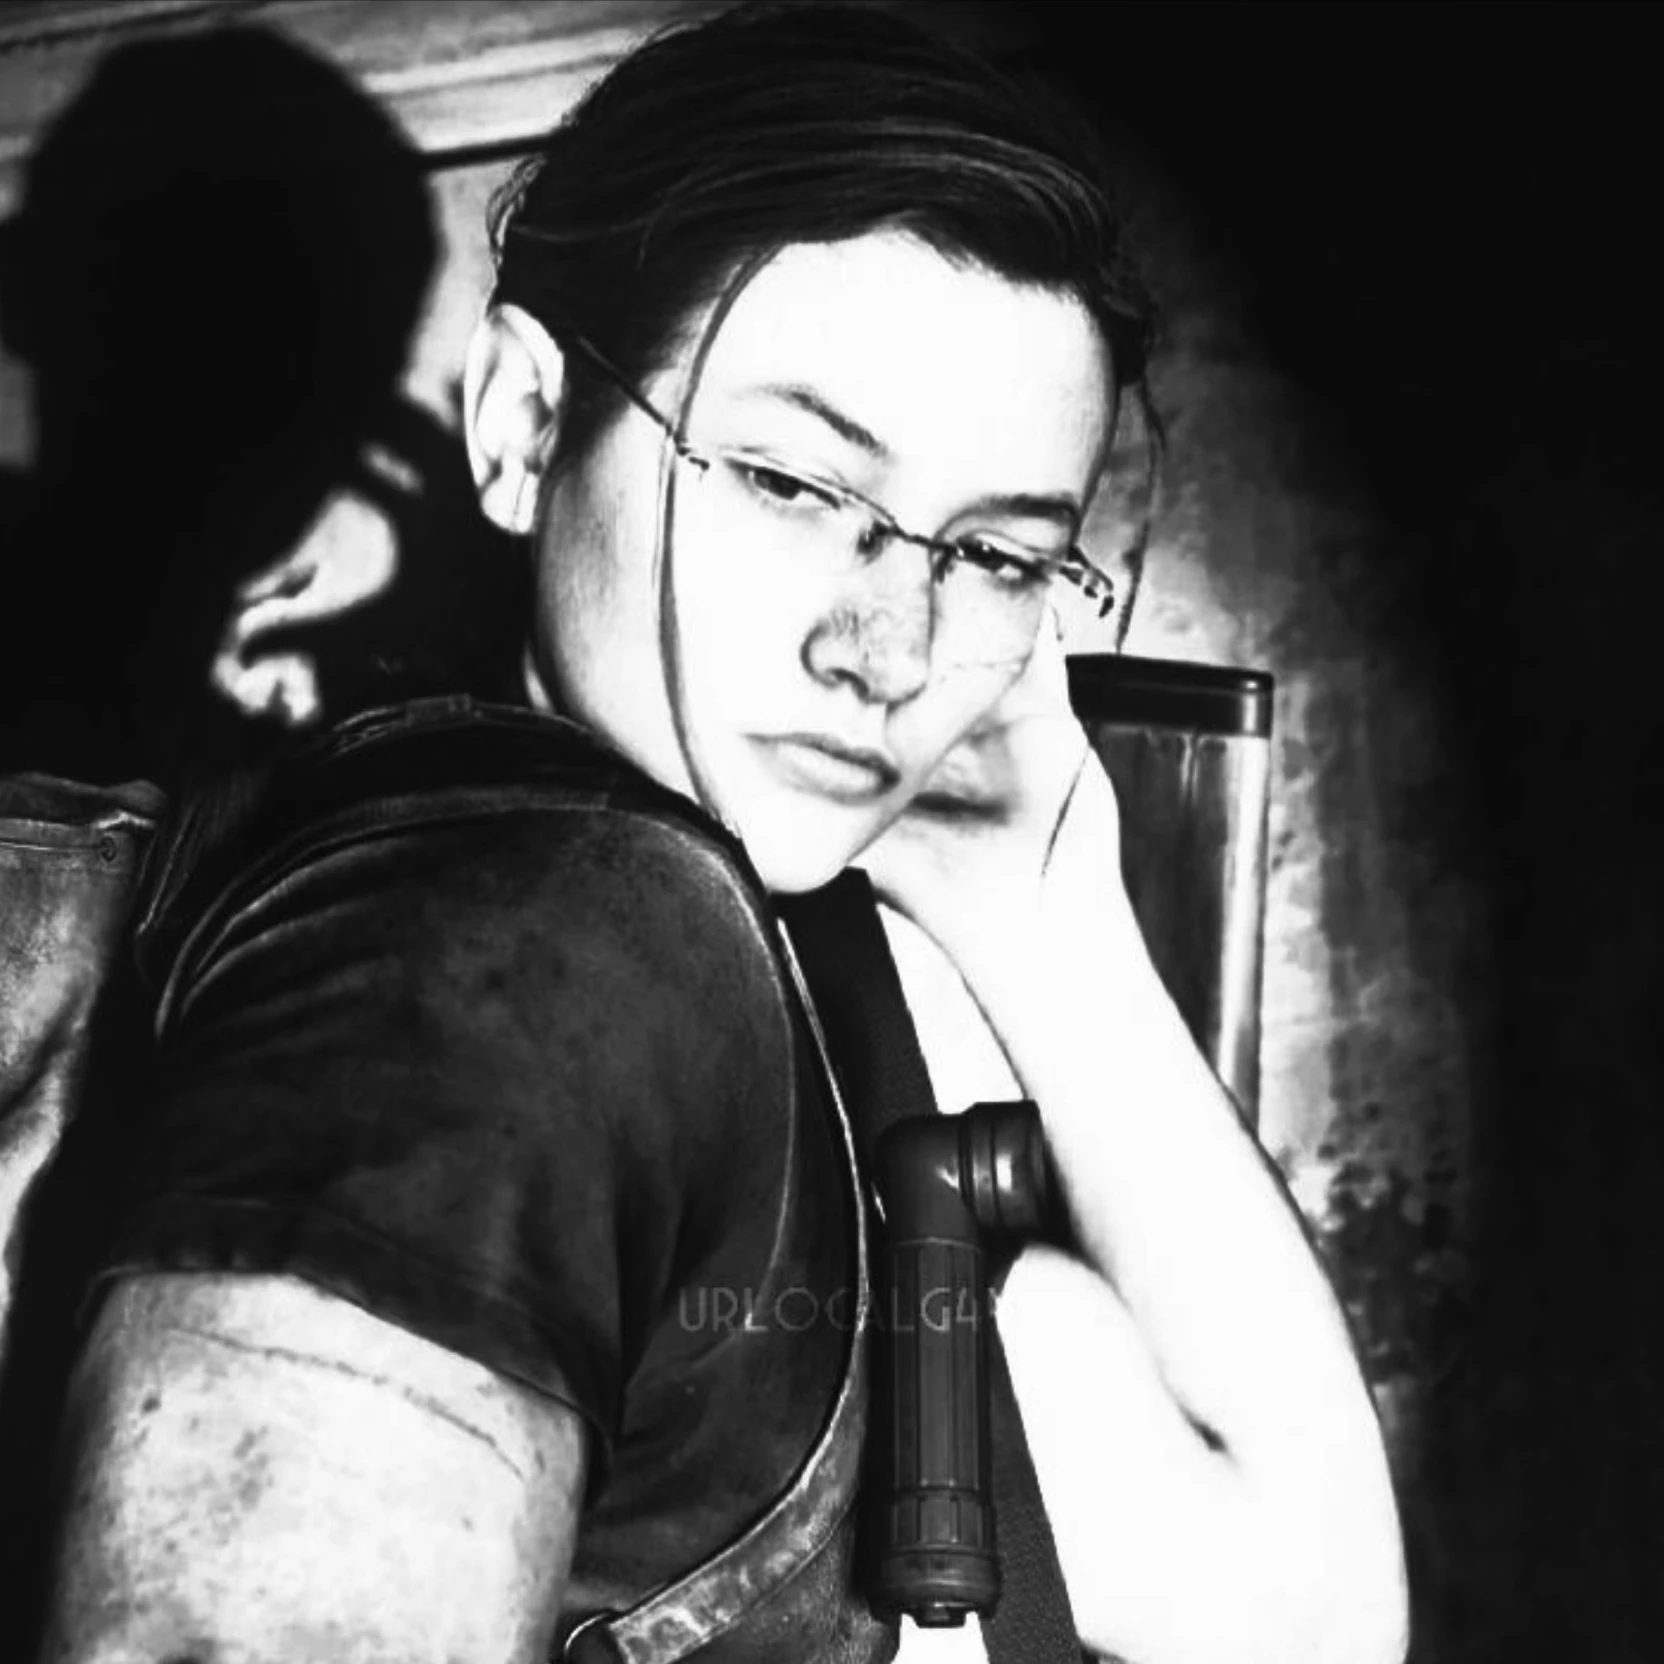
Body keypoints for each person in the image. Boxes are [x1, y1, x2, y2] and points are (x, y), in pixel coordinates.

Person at [28, 6, 1408, 1661]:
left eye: (994, 556)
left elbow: (1305, 1615)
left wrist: (1041, 912)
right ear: (525, 425)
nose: (889, 653)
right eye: (792, 482)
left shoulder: (766, 984)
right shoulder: (555, 935)